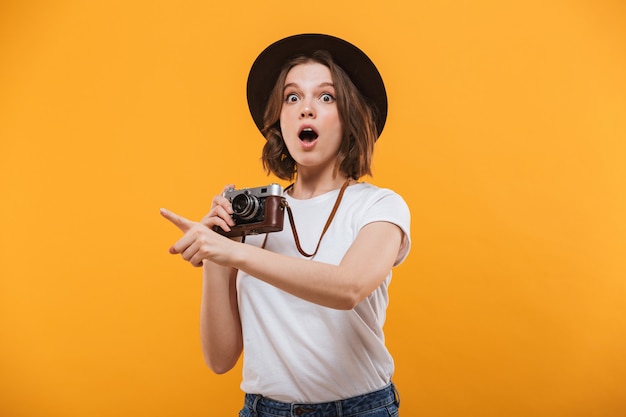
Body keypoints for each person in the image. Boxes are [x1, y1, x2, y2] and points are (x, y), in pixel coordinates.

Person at [161, 33, 411, 417]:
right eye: (292, 97)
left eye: (325, 97)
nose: (305, 109)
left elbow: (348, 288)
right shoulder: (252, 216)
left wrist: (234, 252)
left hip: (360, 410)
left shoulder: (379, 206)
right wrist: (215, 255)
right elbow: (220, 358)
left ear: (349, 117)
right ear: (279, 118)